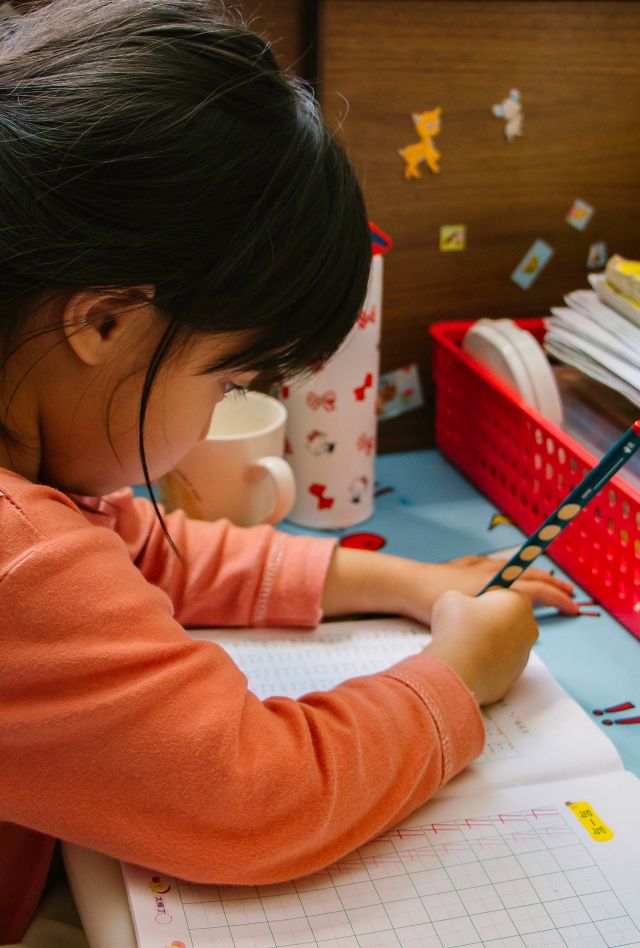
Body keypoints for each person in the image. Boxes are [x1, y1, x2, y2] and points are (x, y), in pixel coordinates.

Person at [0, 0, 578, 942]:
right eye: (228, 378)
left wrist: (400, 579)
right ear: (102, 322)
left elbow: (147, 555)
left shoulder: (39, 493)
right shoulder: (18, 559)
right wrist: (457, 678)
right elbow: (250, 794)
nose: (224, 407)